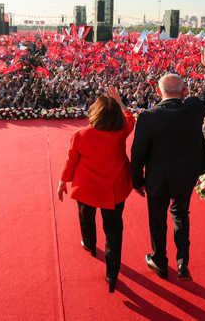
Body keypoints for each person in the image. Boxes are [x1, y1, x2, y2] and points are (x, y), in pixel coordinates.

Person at [131, 46, 205, 282]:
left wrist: (137, 182)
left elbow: (137, 152)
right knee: (181, 214)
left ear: (158, 92)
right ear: (185, 91)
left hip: (157, 179)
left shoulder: (148, 117)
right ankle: (183, 263)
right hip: (185, 177)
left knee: (157, 220)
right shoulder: (193, 108)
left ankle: (160, 261)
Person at [57, 86, 135, 293]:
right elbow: (130, 116)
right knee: (114, 230)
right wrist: (118, 99)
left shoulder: (80, 135)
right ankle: (112, 273)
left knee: (86, 217)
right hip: (115, 189)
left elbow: (70, 161)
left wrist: (62, 182)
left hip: (87, 188)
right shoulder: (122, 131)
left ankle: (90, 244)